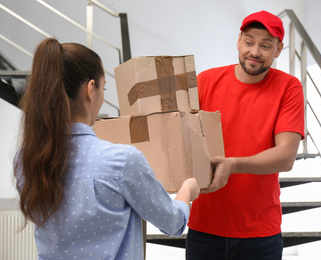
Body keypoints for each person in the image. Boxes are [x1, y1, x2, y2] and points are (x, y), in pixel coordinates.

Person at [14, 38, 200, 260]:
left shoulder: (26, 160)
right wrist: (188, 189)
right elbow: (173, 222)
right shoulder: (122, 161)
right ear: (90, 89)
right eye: (103, 87)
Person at [186, 10, 305, 260]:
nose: (254, 52)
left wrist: (233, 164)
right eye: (249, 42)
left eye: (265, 45)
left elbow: (286, 157)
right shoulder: (206, 81)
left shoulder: (289, 87)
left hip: (260, 233)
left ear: (278, 49)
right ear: (238, 41)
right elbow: (180, 137)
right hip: (204, 228)